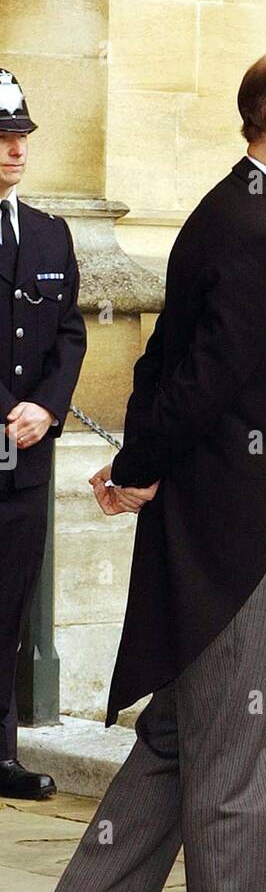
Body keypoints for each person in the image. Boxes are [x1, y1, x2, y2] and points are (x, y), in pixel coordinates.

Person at [24, 46, 266, 892]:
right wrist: (141, 464)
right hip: (230, 528)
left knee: (182, 736)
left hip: (229, 512)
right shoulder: (250, 225)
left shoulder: (249, 213)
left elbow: (179, 360)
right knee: (232, 754)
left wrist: (142, 458)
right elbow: (200, 375)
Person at [0, 69, 86, 800]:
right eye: (1, 140)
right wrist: (6, 409)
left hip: (25, 457)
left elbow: (69, 333)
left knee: (8, 606)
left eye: (20, 138)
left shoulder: (52, 234)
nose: (14, 152)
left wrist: (47, 409)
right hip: (5, 431)